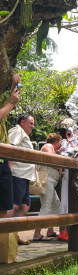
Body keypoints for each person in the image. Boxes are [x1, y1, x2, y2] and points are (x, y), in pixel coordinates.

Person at [7, 114, 36, 245]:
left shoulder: (24, 135)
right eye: (30, 123)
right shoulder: (17, 130)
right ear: (22, 122)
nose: (33, 126)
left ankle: (13, 235)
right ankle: (4, 236)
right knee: (14, 205)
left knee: (25, 206)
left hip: (25, 176)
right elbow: (10, 147)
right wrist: (10, 166)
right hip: (17, 174)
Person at [33, 133, 62, 241]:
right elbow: (51, 159)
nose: (59, 145)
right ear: (56, 142)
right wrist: (60, 168)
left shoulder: (51, 148)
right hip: (47, 181)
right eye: (59, 143)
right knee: (46, 206)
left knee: (56, 204)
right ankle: (37, 233)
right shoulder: (48, 146)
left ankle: (50, 230)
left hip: (50, 182)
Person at [59, 128, 78, 242]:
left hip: (77, 175)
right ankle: (63, 230)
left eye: (73, 134)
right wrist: (61, 151)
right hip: (66, 174)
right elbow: (61, 155)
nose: (70, 136)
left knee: (75, 201)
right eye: (68, 134)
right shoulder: (64, 142)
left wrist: (72, 145)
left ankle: (75, 229)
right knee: (64, 201)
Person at [0, 74, 21, 219]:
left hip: (4, 162)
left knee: (4, 206)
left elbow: (9, 100)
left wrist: (15, 84)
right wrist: (11, 103)